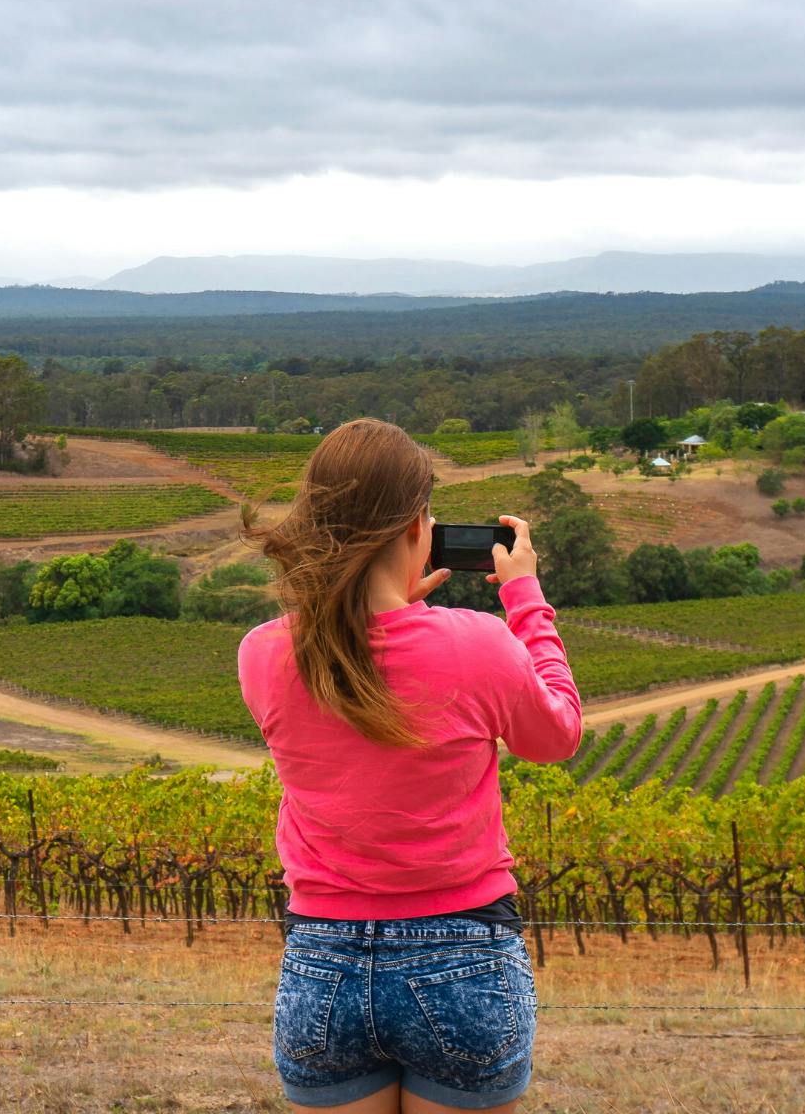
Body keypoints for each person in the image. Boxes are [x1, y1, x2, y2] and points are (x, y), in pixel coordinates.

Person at [238, 418, 583, 1112]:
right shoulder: (478, 644)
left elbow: (357, 665)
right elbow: (558, 734)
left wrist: (393, 609)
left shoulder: (264, 654)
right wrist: (525, 598)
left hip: (322, 966)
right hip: (463, 957)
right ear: (417, 528)